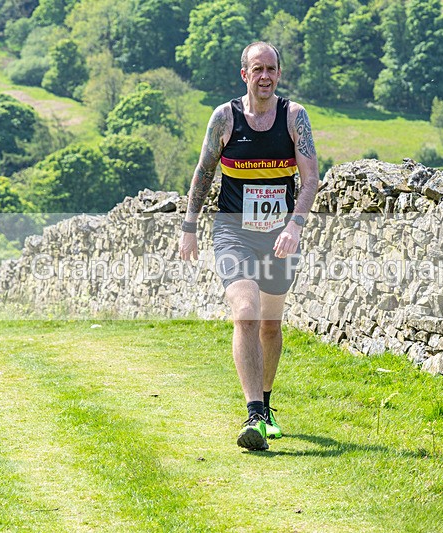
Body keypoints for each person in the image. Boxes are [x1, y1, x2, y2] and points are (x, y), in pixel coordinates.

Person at [179, 42, 320, 451]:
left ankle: (268, 405)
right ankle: (254, 414)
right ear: (245, 74)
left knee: (271, 327)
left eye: (271, 69)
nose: (265, 76)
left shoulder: (295, 117)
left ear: (279, 73)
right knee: (245, 312)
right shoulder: (225, 118)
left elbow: (310, 179)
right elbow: (204, 173)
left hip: (279, 237)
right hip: (232, 231)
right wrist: (190, 226)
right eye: (257, 69)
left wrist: (295, 225)